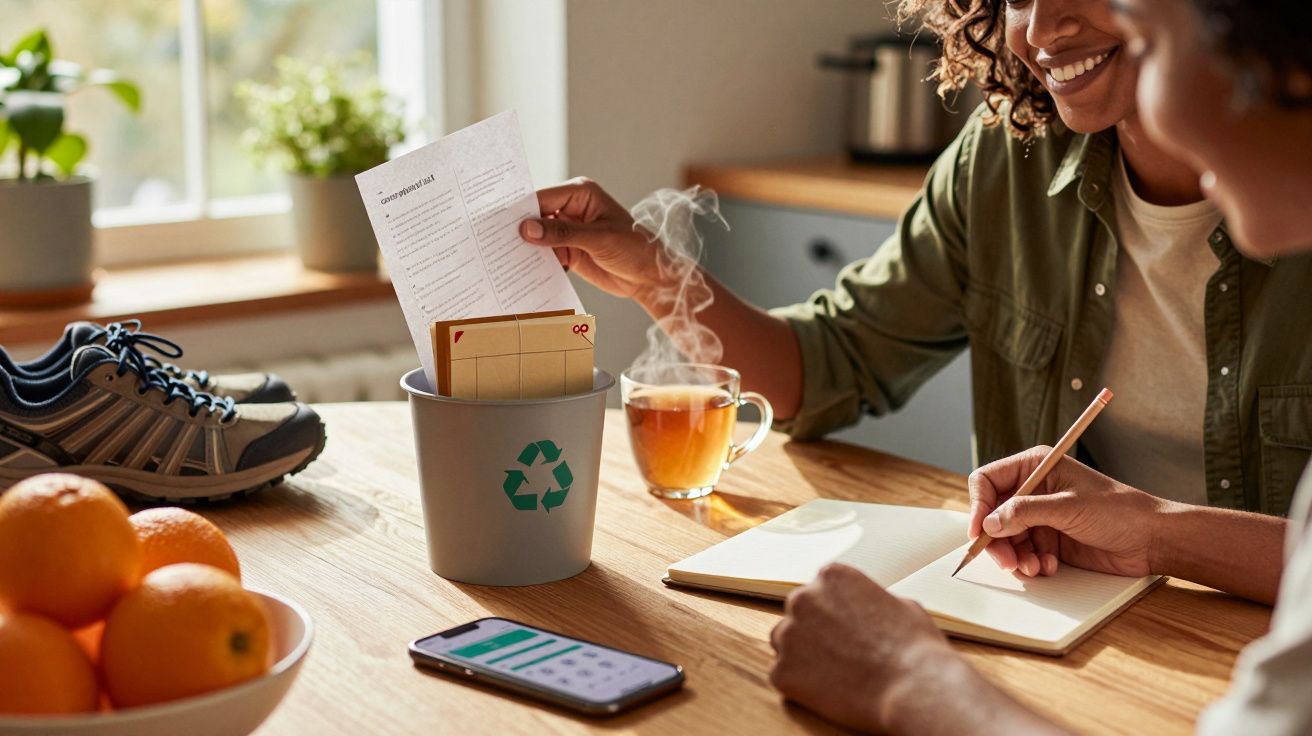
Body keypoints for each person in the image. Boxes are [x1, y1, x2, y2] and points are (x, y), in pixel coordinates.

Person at [521, 0, 1312, 516]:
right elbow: (825, 367)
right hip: (1073, 622)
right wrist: (656, 274)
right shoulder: (1006, 163)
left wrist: (1157, 534)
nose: (1039, 30)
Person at [768, 0, 1312, 732]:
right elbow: (835, 355)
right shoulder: (1006, 156)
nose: (1159, 115)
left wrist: (909, 680)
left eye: (1153, 32)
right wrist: (1151, 531)